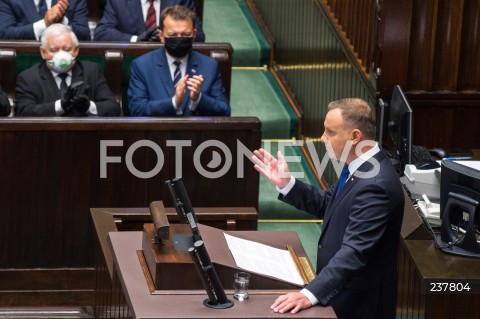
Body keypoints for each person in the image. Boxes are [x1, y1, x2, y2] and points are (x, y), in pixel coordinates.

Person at [252, 98, 404, 319]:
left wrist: (309, 294)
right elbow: (328, 205)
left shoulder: (375, 186)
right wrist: (287, 184)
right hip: (342, 293)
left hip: (359, 305)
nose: (322, 138)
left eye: (330, 132)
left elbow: (354, 252)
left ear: (355, 137)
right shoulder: (360, 167)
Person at [127, 5, 230, 116]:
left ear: (194, 34)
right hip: (157, 132)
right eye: (173, 35)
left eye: (185, 34)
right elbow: (136, 110)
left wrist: (198, 98)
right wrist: (173, 102)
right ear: (161, 36)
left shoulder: (209, 66)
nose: (179, 39)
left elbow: (224, 111)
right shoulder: (142, 66)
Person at [15, 24, 121, 117]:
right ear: (43, 52)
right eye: (54, 50)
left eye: (67, 49)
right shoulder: (28, 78)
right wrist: (59, 106)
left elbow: (113, 108)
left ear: (76, 50)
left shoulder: (91, 71)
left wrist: (89, 107)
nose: (61, 55)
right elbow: (23, 112)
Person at [93, 0, 205, 42]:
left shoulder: (180, 1)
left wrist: (173, 38)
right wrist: (137, 40)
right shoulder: (119, 2)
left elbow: (199, 35)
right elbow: (102, 33)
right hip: (134, 60)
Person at [0, 0, 90, 41]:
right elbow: (4, 34)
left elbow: (85, 36)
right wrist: (45, 24)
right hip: (26, 61)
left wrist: (62, 22)